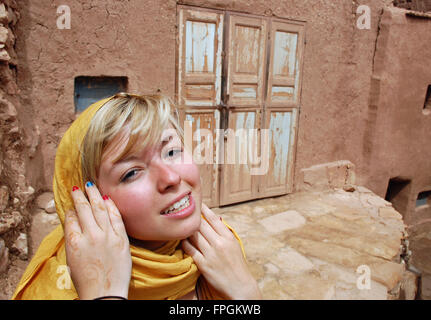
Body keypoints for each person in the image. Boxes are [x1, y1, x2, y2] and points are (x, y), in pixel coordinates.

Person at [12, 93, 262, 300]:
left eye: (172, 151)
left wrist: (246, 291)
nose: (171, 178)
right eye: (131, 173)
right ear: (91, 202)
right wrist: (104, 294)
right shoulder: (59, 288)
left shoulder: (221, 251)